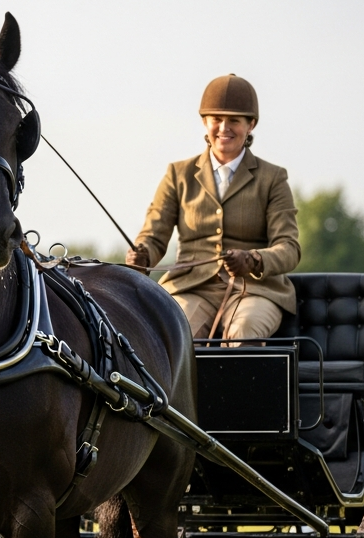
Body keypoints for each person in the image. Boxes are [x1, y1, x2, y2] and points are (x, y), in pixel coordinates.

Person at [126, 74, 300, 340]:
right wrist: (143, 255)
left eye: (234, 121)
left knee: (244, 331)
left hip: (254, 290)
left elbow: (289, 248)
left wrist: (253, 259)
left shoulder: (273, 178)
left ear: (251, 124)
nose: (223, 128)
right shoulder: (178, 174)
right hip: (191, 287)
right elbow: (154, 234)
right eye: (216, 119)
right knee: (177, 335)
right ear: (204, 122)